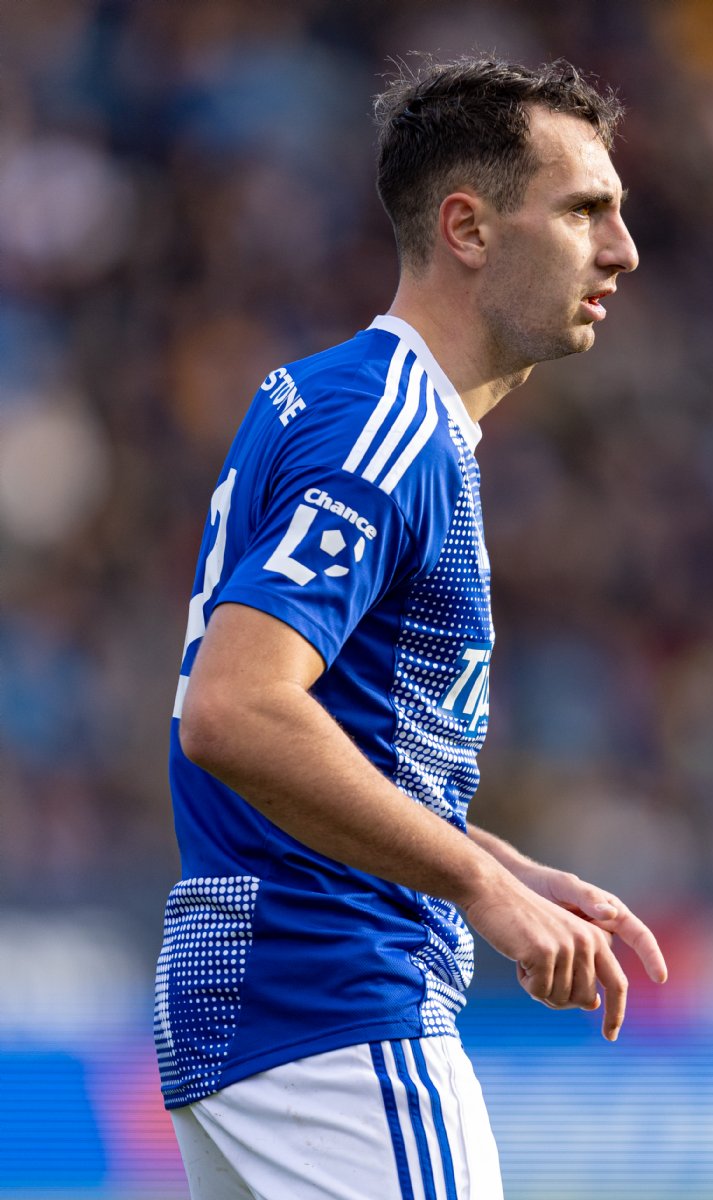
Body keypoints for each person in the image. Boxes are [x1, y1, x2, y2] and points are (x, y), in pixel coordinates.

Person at [154, 54, 667, 1200]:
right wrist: (479, 889)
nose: (622, 250)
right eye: (584, 210)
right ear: (468, 228)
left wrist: (506, 865)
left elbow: (322, 739)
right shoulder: (385, 431)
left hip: (257, 1009)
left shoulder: (339, 401)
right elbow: (235, 710)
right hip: (336, 1007)